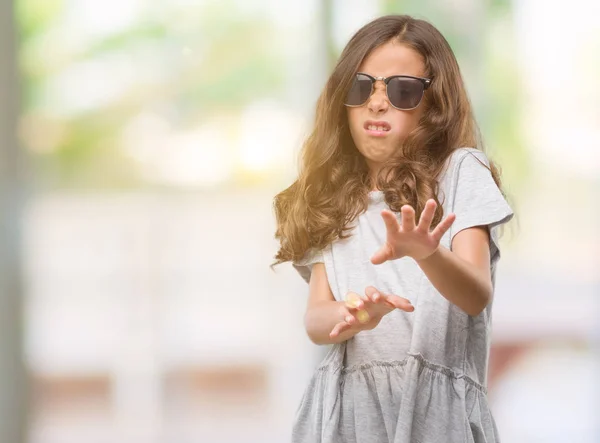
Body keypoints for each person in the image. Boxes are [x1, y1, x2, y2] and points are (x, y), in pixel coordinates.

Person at [272, 14, 514, 443]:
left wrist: (427, 252)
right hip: (345, 414)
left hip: (437, 419)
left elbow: (475, 293)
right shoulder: (333, 199)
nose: (377, 102)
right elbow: (315, 319)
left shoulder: (460, 172)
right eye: (361, 87)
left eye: (402, 90)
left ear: (433, 106)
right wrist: (356, 315)